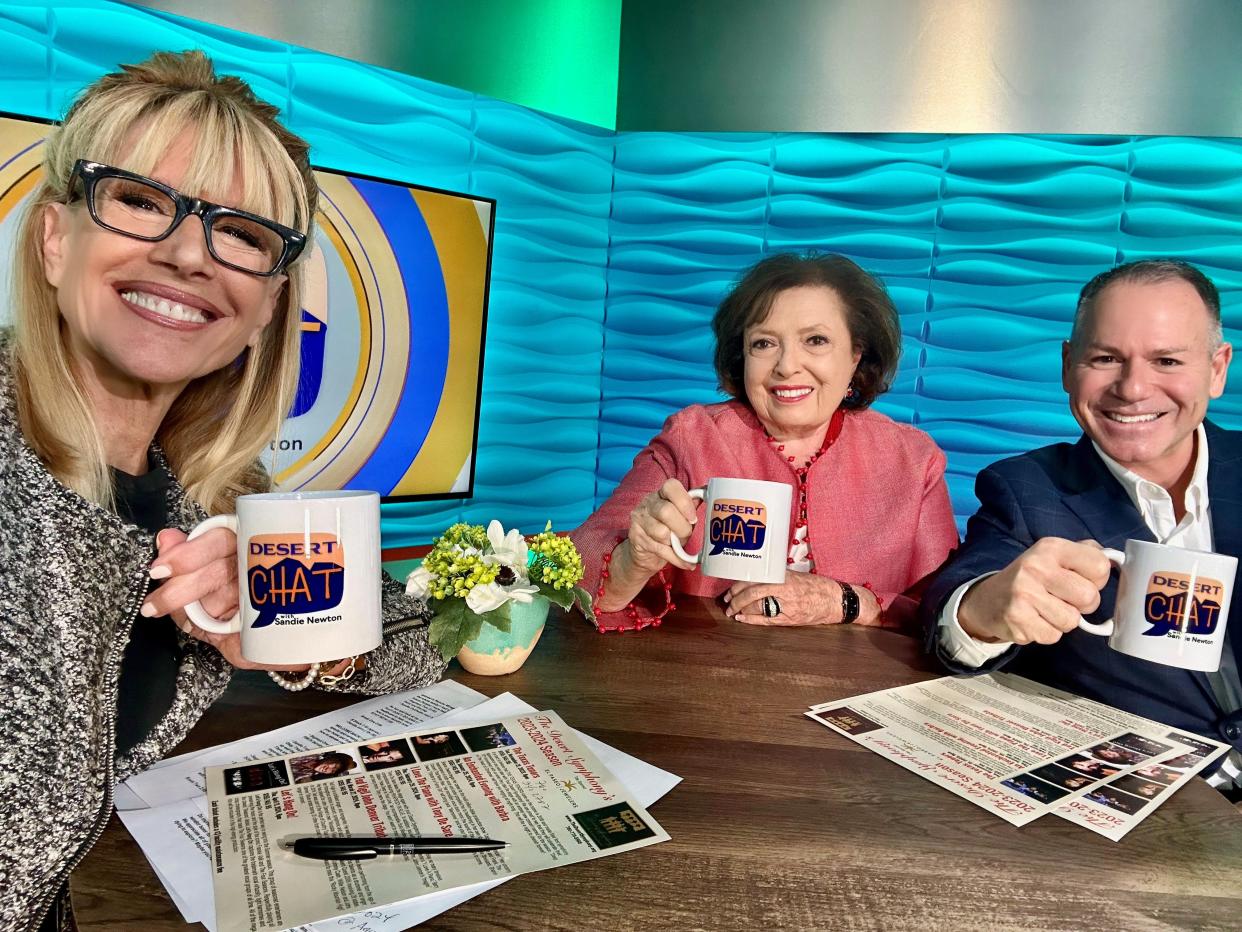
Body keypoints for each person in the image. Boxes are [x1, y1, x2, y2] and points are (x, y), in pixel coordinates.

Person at [0, 52, 446, 930]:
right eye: (139, 199)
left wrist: (293, 635)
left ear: (270, 302)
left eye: (241, 232)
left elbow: (415, 641)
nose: (187, 253)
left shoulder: (207, 487)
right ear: (55, 240)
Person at [921, 259, 1242, 794]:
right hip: (1154, 812)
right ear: (1069, 366)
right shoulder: (1027, 489)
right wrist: (985, 608)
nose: (1134, 388)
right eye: (1106, 358)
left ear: (1216, 369)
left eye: (1166, 359)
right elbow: (955, 605)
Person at [573, 253, 959, 631]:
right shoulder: (692, 436)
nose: (787, 365)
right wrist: (631, 562)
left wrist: (846, 602)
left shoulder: (912, 459)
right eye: (764, 343)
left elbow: (949, 610)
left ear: (856, 356)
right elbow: (573, 567)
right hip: (707, 676)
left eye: (816, 340)